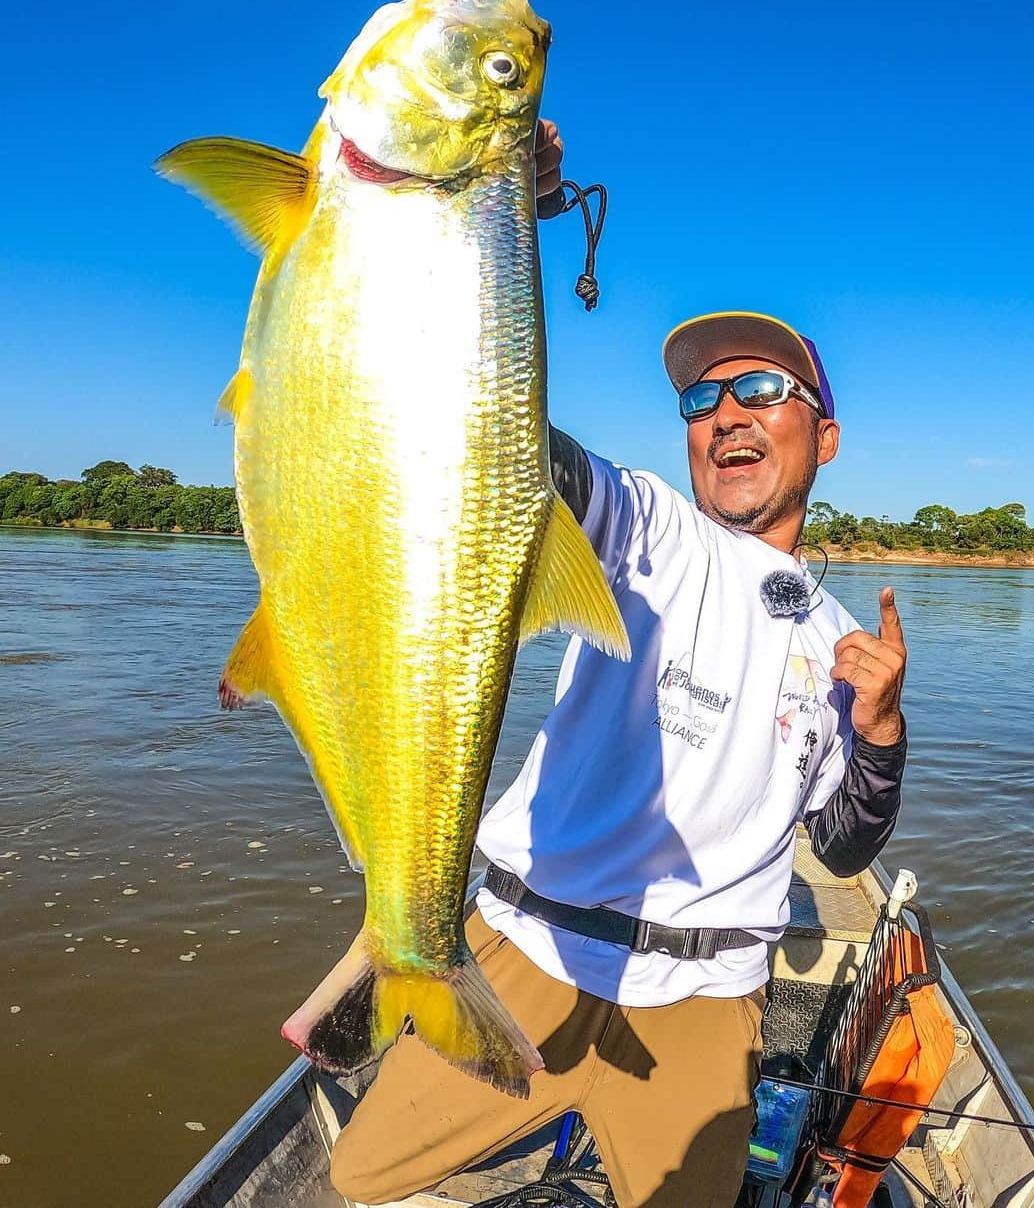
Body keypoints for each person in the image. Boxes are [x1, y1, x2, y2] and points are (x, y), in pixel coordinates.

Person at [329, 121, 908, 1207]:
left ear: (824, 435)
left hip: (703, 998)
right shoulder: (644, 524)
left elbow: (843, 839)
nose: (726, 415)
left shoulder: (842, 629)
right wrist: (490, 220)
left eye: (762, 392)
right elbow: (491, 437)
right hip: (524, 955)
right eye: (702, 400)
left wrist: (880, 729)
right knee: (353, 1178)